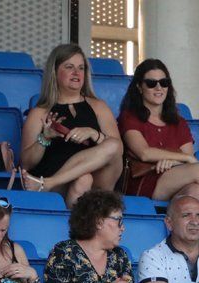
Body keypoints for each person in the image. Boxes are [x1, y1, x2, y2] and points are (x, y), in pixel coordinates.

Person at [20, 43, 123, 206]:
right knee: (83, 179)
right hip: (59, 189)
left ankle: (48, 183)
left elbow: (117, 150)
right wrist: (44, 138)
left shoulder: (99, 107)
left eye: (81, 68)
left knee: (112, 147)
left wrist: (93, 134)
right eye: (69, 67)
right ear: (55, 72)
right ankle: (53, 186)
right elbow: (26, 164)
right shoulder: (40, 113)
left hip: (96, 185)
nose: (77, 73)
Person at [118, 58, 199, 201]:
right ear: (139, 87)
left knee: (196, 191)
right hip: (144, 181)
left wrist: (173, 162)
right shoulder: (130, 117)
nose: (159, 88)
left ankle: (183, 222)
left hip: (175, 177)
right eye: (151, 83)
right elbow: (144, 153)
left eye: (164, 82)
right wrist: (184, 158)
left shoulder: (179, 122)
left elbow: (190, 160)